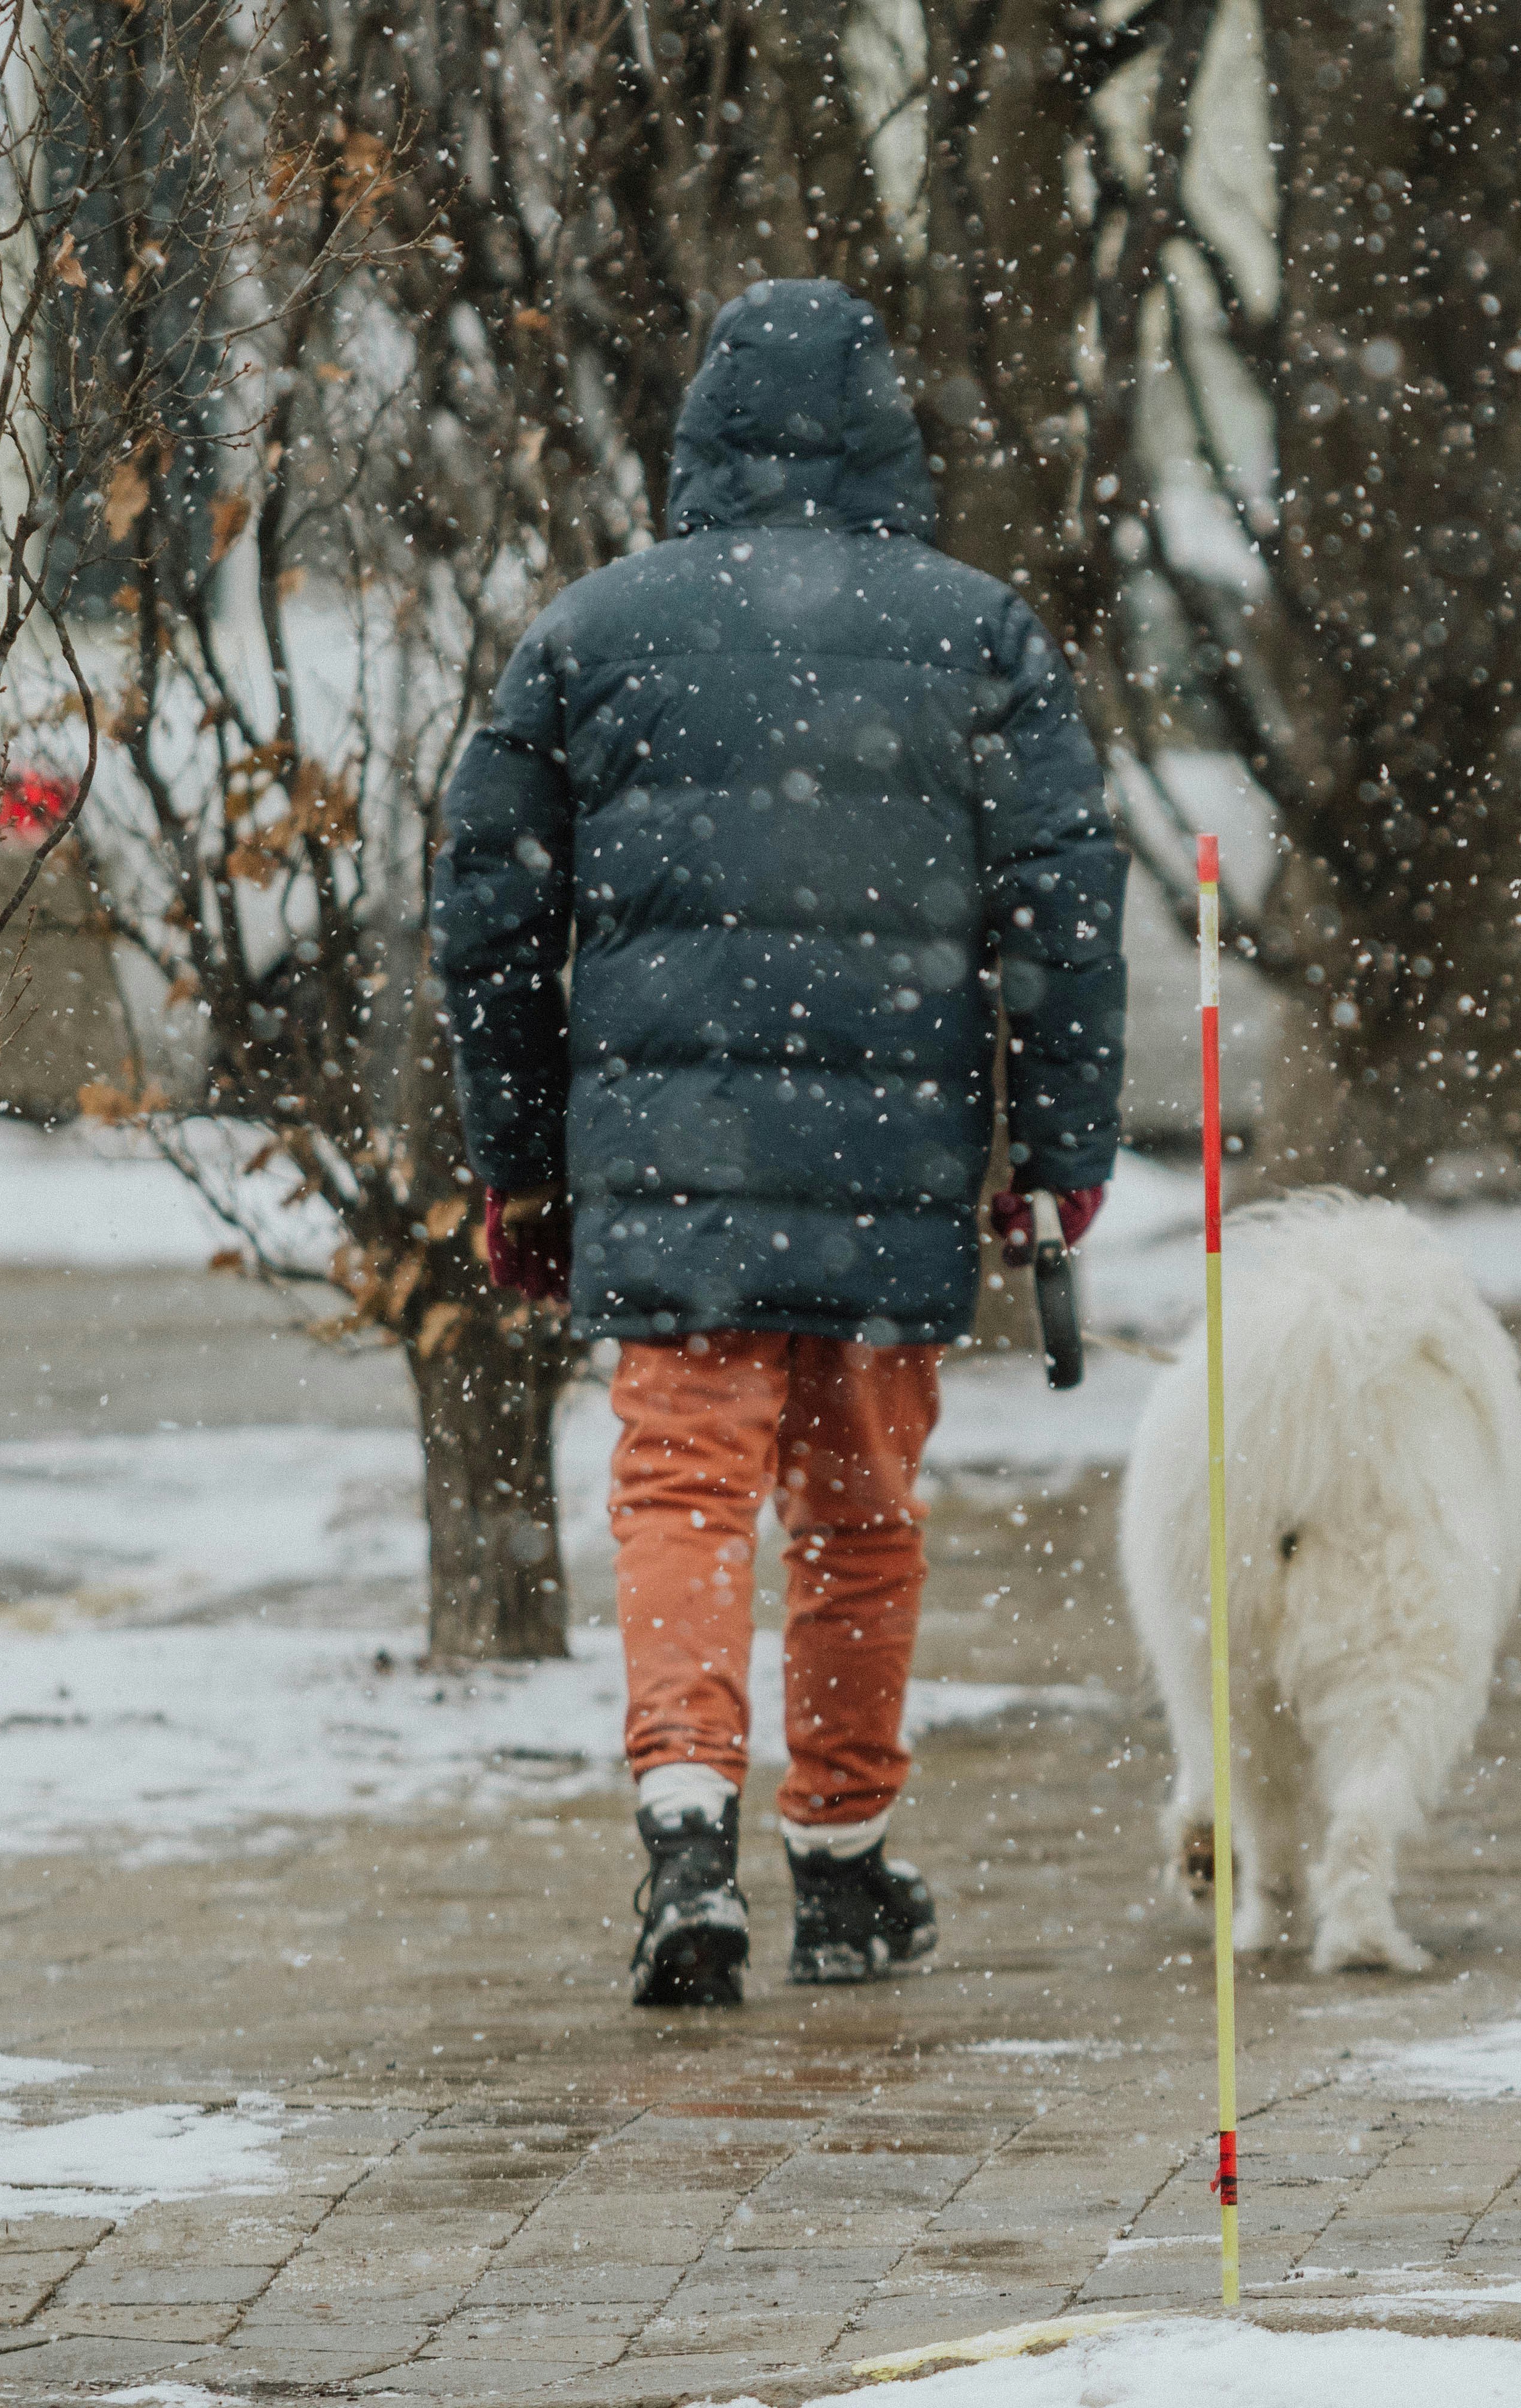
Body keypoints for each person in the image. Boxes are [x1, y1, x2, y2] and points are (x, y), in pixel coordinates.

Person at [429, 281, 1125, 2008]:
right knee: (856, 1509)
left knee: (683, 1486)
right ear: (888, 432)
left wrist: (519, 1161)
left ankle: (684, 1833)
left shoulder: (593, 633)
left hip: (668, 1155)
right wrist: (1058, 1146)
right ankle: (842, 1861)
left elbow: (489, 915)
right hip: (894, 1155)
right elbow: (1066, 908)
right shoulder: (979, 635)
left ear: (703, 432)